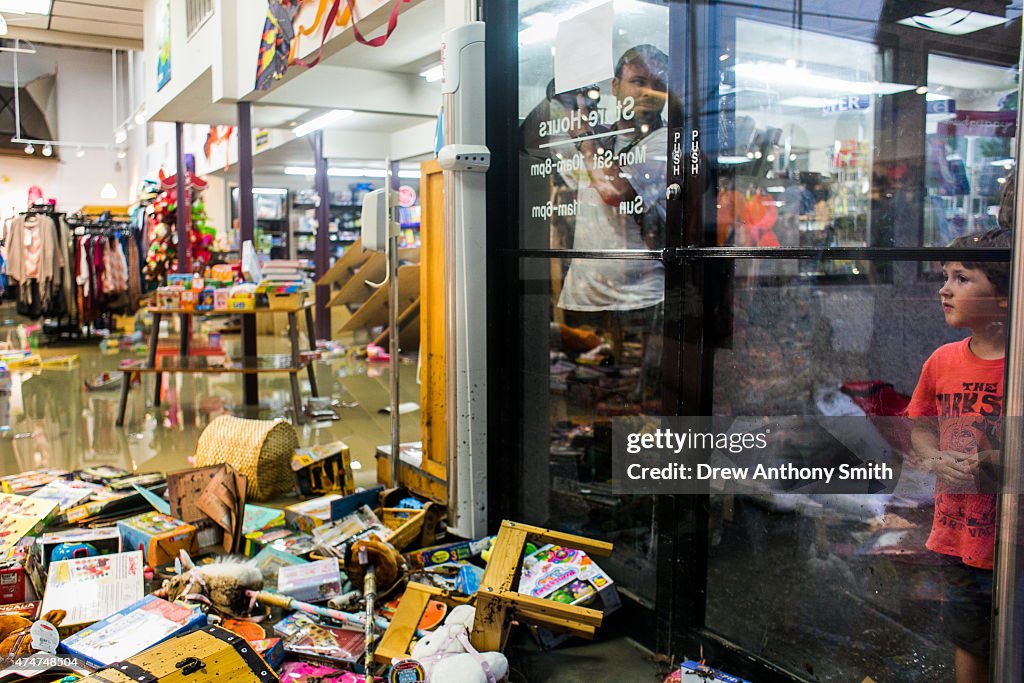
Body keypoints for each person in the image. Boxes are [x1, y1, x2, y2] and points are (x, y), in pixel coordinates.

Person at [907, 227, 1012, 683]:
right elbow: (921, 426)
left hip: (1010, 543)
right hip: (958, 540)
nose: (945, 289)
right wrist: (933, 459)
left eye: (963, 278)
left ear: (1006, 297)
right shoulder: (942, 361)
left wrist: (999, 462)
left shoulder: (1018, 365)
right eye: (945, 276)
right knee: (969, 642)